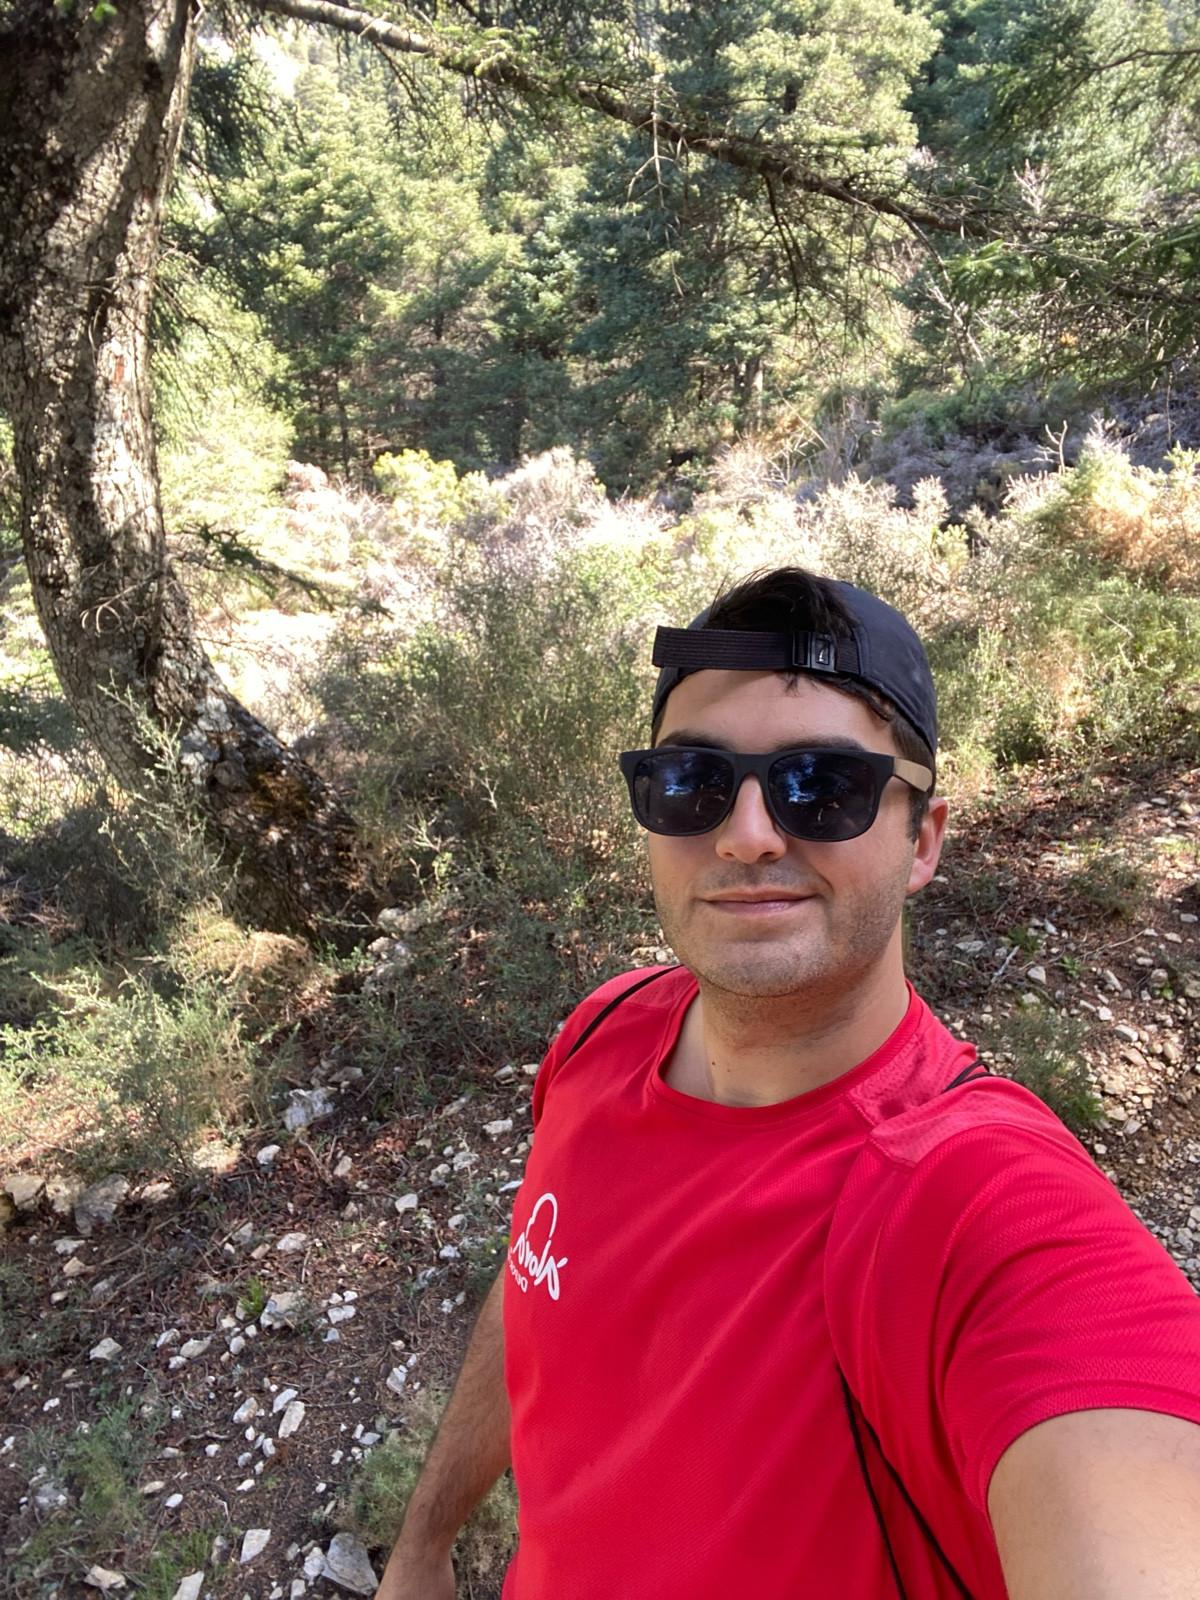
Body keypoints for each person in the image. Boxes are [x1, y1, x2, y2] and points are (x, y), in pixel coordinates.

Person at [379, 567, 1200, 1600]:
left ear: (922, 841)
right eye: (692, 781)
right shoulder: (601, 1034)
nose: (749, 833)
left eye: (824, 784)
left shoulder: (976, 1204)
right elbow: (537, 1283)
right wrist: (422, 1547)